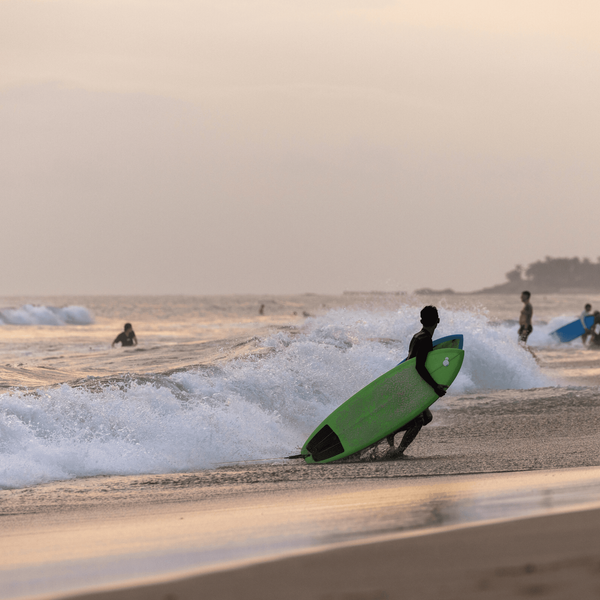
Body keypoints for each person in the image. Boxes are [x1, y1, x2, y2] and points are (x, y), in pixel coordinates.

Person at [384, 305, 448, 458]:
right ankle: (398, 451)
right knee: (418, 421)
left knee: (427, 417)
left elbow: (409, 362)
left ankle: (392, 432)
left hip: (407, 381)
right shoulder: (425, 339)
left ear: (421, 320)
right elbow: (419, 366)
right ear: (438, 320)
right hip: (411, 384)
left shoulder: (417, 336)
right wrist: (435, 386)